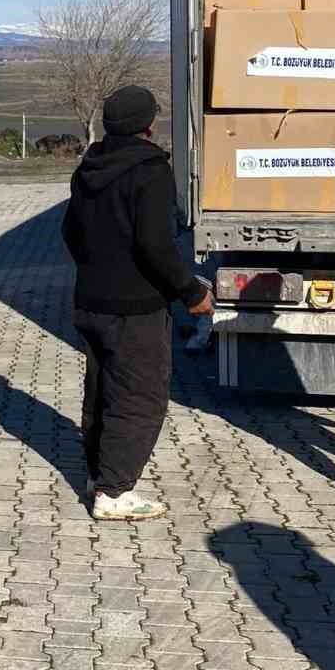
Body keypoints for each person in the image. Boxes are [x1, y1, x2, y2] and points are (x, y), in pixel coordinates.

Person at [62, 85, 214, 522]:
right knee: (140, 397)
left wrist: (96, 268)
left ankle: (98, 473)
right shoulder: (150, 171)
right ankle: (114, 491)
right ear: (148, 124)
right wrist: (191, 293)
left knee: (102, 390)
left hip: (91, 299)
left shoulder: (87, 167)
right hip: (136, 307)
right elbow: (156, 245)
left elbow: (71, 231)